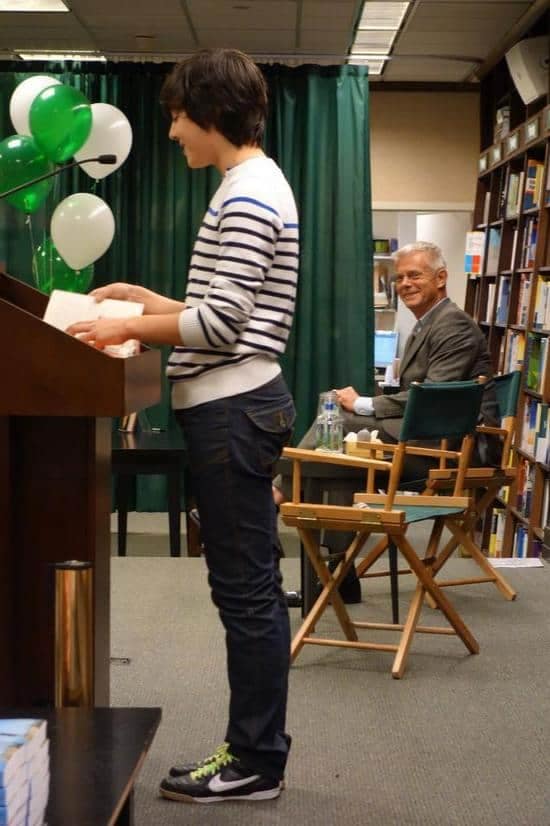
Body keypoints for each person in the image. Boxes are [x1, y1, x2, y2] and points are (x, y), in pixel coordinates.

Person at [68, 48, 299, 804]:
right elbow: (227, 315)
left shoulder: (250, 193)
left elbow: (224, 323)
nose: (171, 133)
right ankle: (249, 750)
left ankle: (257, 762)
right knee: (247, 589)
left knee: (247, 594)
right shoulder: (249, 185)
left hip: (233, 410)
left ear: (210, 113)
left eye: (175, 117)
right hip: (235, 405)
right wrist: (147, 301)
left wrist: (125, 324)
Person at [273, 241, 500, 602]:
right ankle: (338, 579)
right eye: (399, 278)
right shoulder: (429, 323)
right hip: (428, 439)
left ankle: (270, 498)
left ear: (441, 278)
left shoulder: (453, 325)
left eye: (415, 275)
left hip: (450, 448)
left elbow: (434, 398)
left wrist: (363, 403)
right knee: (339, 466)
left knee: (339, 424)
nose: (405, 283)